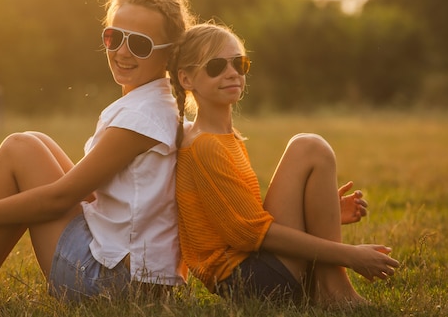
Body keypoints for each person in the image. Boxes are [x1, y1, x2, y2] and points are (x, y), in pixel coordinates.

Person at [0, 0, 196, 310]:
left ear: (169, 53)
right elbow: (90, 195)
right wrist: (10, 200)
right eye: (114, 37)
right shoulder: (156, 105)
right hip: (129, 279)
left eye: (140, 44)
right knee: (36, 142)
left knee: (18, 147)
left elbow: (60, 198)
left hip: (109, 285)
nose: (122, 51)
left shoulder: (140, 117)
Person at [168, 22, 400, 308]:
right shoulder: (204, 146)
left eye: (239, 64)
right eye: (215, 66)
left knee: (308, 146)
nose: (231, 73)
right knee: (308, 146)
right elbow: (252, 235)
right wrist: (350, 255)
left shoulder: (227, 138)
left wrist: (323, 214)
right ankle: (335, 292)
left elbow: (245, 220)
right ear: (186, 79)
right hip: (248, 279)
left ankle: (330, 288)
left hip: (257, 266)